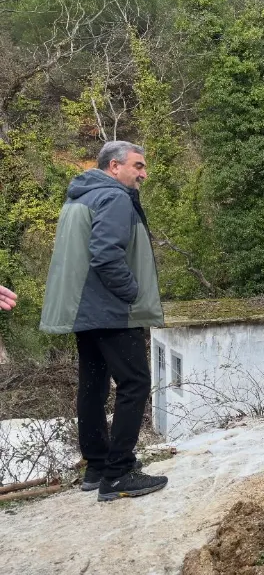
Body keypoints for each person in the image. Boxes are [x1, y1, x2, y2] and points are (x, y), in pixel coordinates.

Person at [40, 141, 168, 501]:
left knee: (93, 385)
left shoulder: (80, 197)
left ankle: (96, 467)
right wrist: (131, 292)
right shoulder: (113, 198)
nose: (143, 174)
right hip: (111, 309)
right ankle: (119, 473)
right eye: (138, 166)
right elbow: (106, 254)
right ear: (115, 167)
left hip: (85, 309)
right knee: (135, 383)